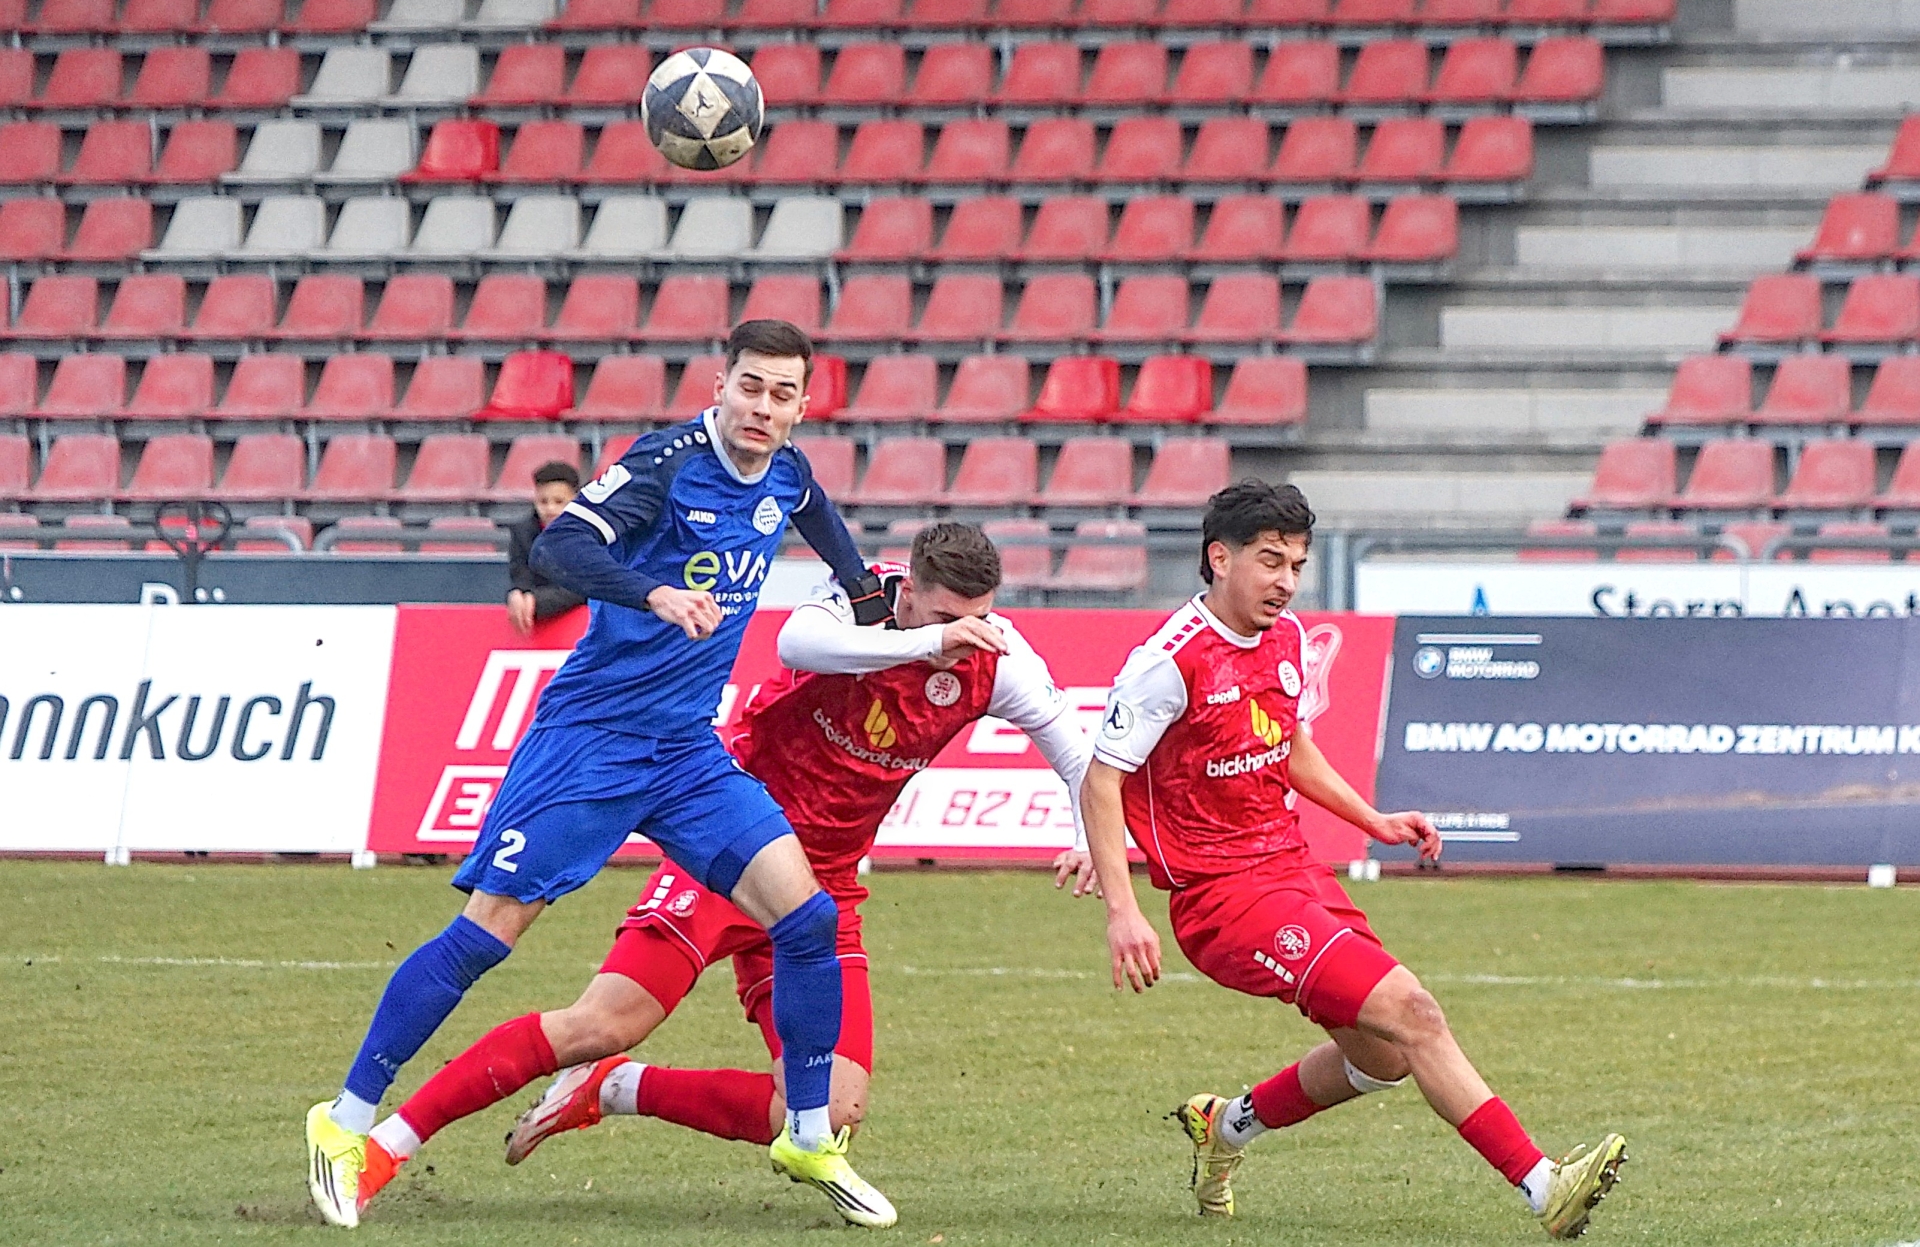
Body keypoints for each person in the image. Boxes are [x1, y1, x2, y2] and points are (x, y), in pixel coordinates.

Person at [306, 320, 896, 1228]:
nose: (763, 407)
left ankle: (809, 1134)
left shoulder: (786, 470)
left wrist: (858, 586)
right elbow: (560, 550)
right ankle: (345, 1122)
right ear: (719, 386)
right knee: (486, 936)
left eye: (782, 394)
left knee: (807, 917)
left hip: (686, 752)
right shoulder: (665, 464)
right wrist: (652, 591)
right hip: (591, 741)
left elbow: (812, 506)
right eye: (749, 386)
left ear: (802, 406)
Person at [351, 522, 1097, 1228]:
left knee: (831, 1110)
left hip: (824, 889)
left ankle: (615, 1086)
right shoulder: (856, 599)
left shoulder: (996, 656)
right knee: (602, 1024)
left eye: (977, 620)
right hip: (731, 853)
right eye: (946, 621)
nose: (964, 639)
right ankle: (387, 1143)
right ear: (910, 593)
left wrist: (1085, 837)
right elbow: (797, 643)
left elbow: (1076, 755)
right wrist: (922, 642)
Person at [1078, 479, 1627, 1240]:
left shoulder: (1287, 639)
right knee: (1414, 1013)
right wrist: (1123, 910)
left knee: (1384, 1058)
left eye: (1297, 565)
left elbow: (1288, 745)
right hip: (1221, 901)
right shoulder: (1169, 663)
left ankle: (1224, 1127)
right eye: (1270, 561)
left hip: (1293, 870)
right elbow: (1101, 777)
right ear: (1219, 558)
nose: (1286, 582)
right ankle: (1544, 1185)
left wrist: (1373, 819)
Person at [505, 461, 586, 636]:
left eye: (559, 502)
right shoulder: (522, 532)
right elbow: (521, 576)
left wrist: (537, 600)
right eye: (543, 501)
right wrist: (517, 593)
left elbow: (582, 587)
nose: (550, 509)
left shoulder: (590, 534)